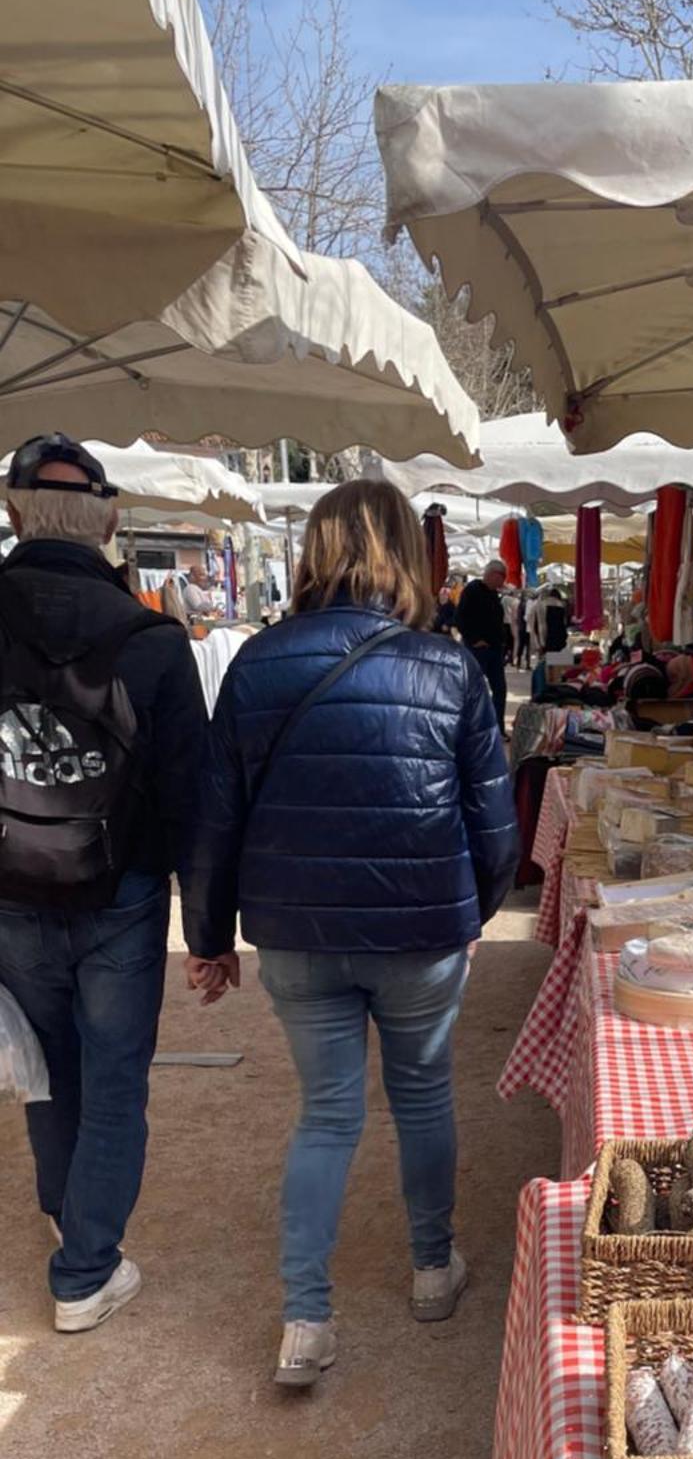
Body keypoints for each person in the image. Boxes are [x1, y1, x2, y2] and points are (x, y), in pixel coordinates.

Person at [182, 480, 518, 1389]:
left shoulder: (256, 661)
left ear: (315, 551)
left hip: (295, 931)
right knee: (421, 1097)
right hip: (420, 933)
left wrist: (208, 937)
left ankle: (305, 1319)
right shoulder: (447, 667)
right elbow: (495, 821)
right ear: (408, 555)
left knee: (326, 1116)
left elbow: (215, 817)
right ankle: (431, 1271)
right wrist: (474, 913)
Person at [0, 433, 207, 1331]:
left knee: (48, 1068)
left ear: (13, 512)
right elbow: (193, 793)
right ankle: (84, 1268)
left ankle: (70, 1217)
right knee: (115, 1076)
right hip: (121, 891)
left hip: (9, 883)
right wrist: (207, 925)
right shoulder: (152, 640)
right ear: (110, 521)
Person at [455, 559, 510, 714]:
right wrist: (474, 640)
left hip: (494, 650)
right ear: (493, 574)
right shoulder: (472, 590)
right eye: (502, 577)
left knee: (499, 690)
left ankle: (497, 727)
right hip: (478, 650)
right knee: (473, 690)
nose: (503, 581)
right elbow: (459, 618)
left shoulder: (493, 594)